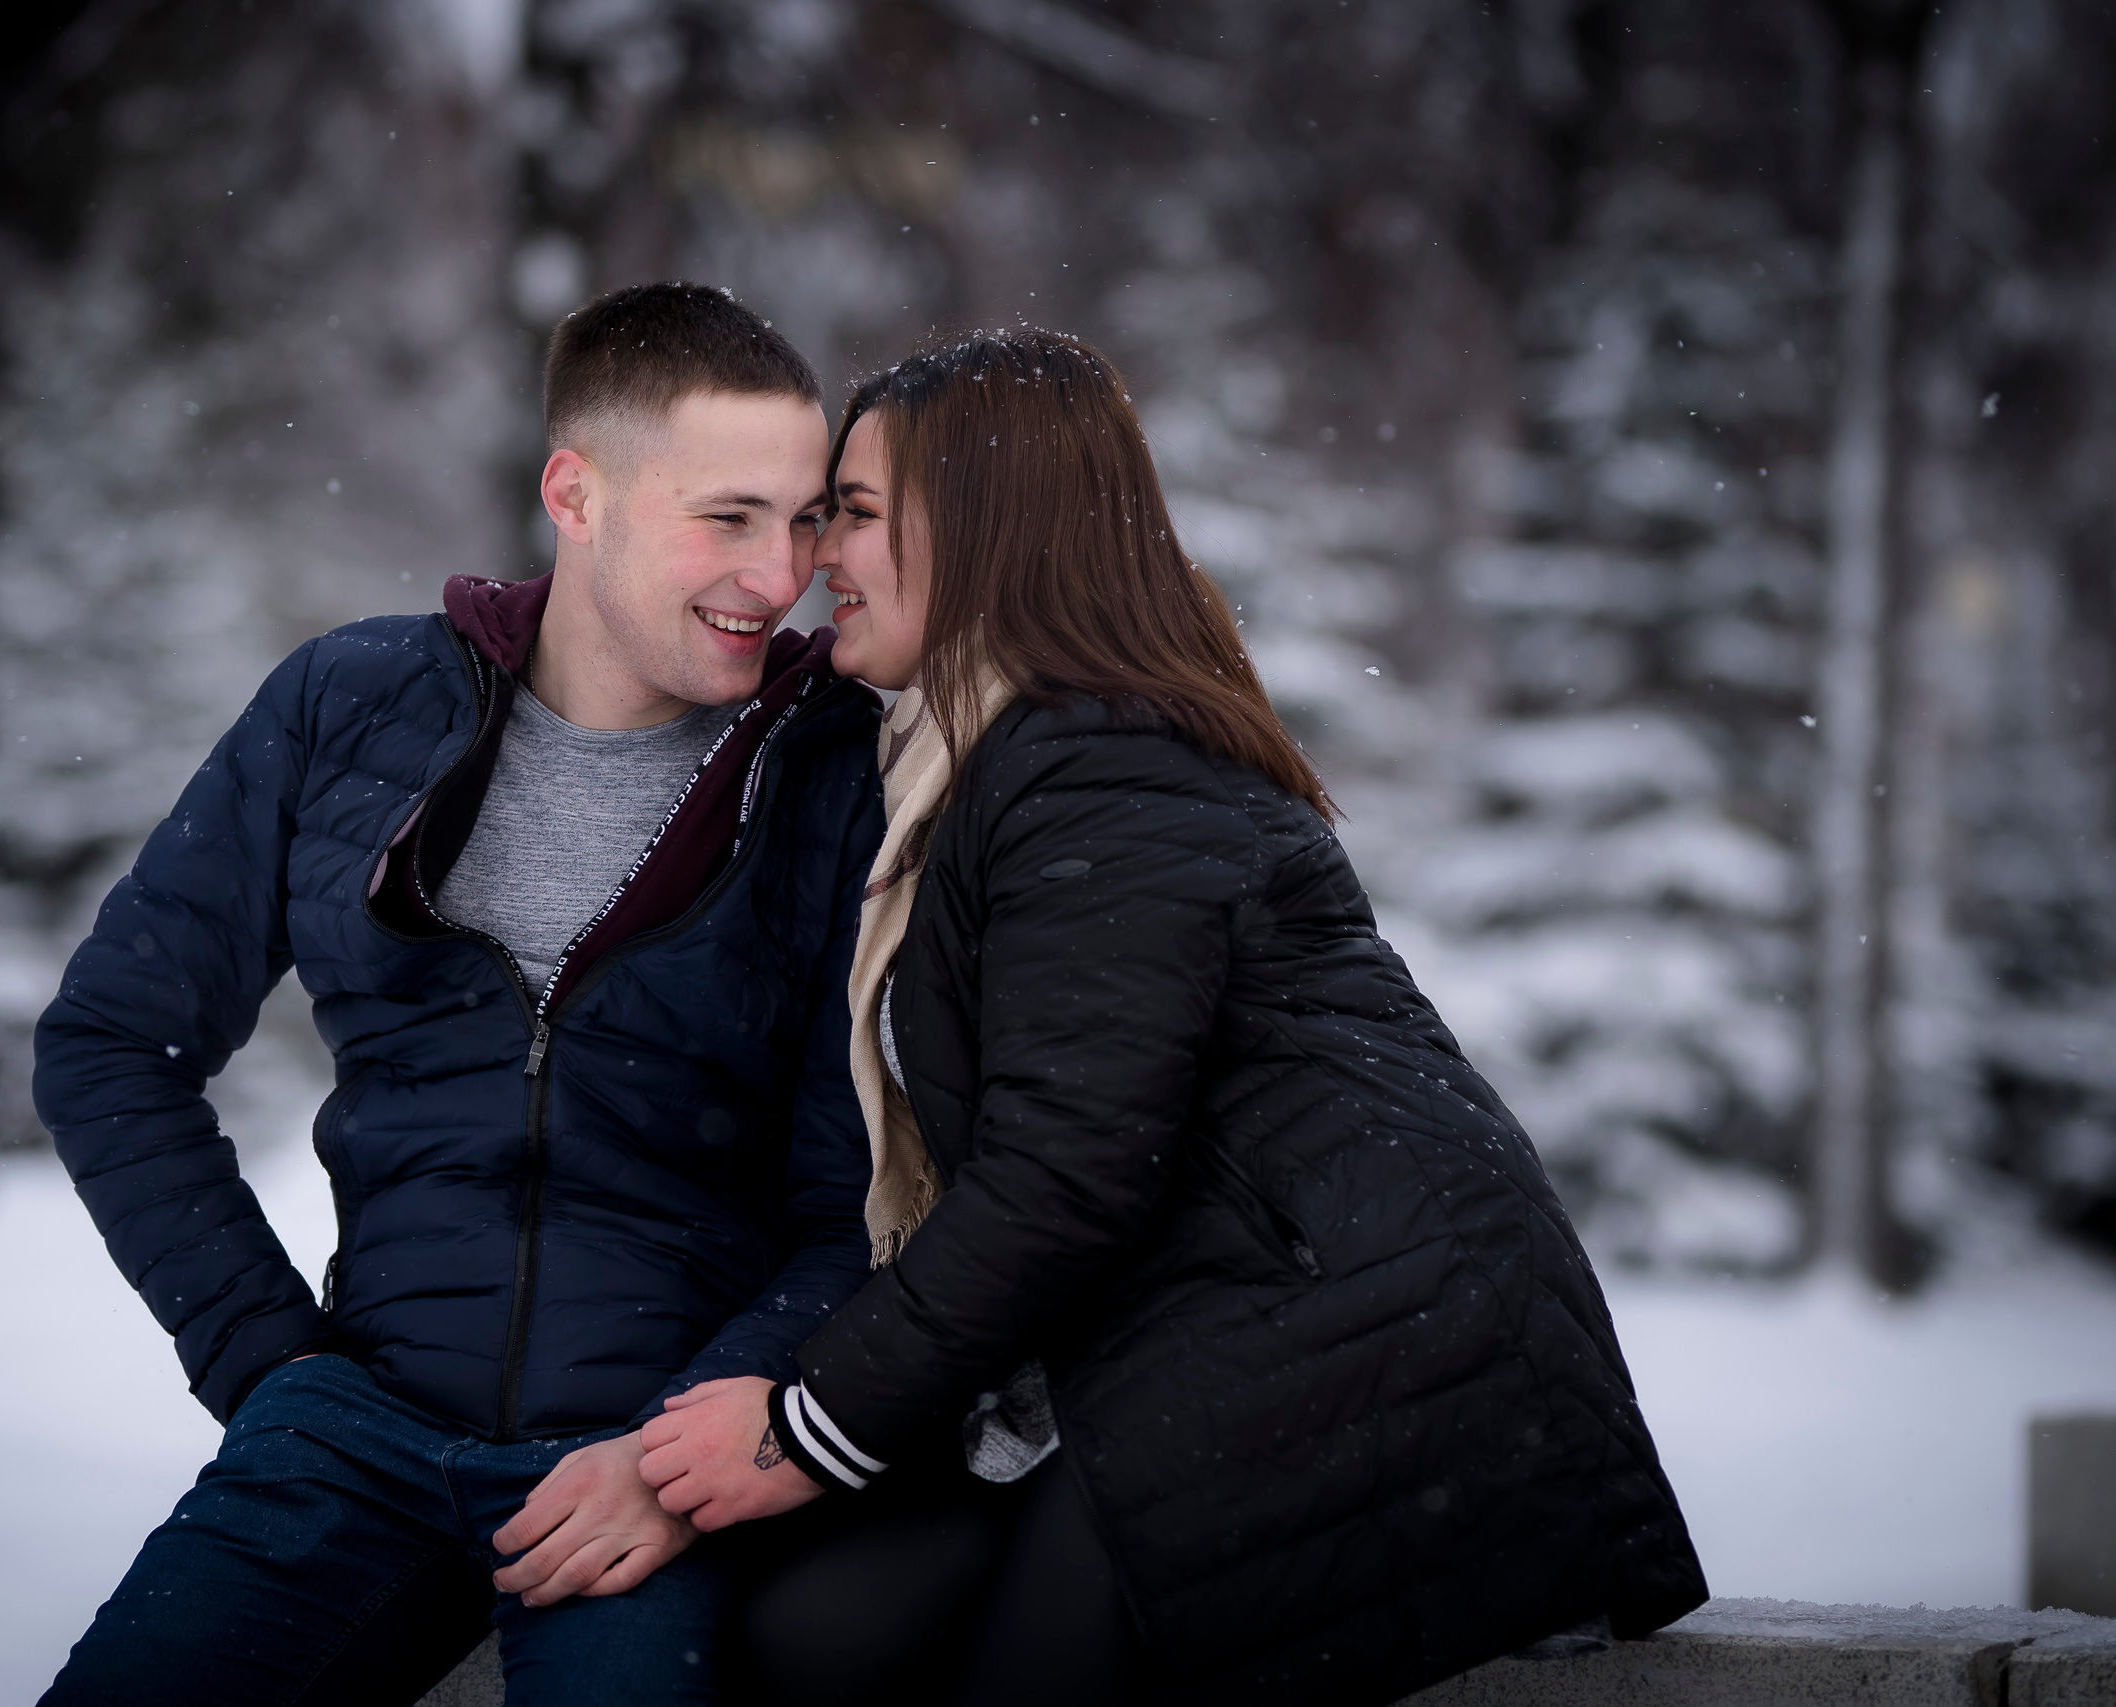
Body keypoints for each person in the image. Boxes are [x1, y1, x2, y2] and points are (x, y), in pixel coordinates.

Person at [636, 327, 1709, 1707]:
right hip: (1177, 1342)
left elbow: (1067, 1173)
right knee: (813, 1632)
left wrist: (805, 1429)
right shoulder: (980, 762)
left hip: (1361, 1347)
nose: (812, 558)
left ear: (986, 530)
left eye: (852, 512)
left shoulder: (1104, 764)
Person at [30, 282, 886, 1706]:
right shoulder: (350, 706)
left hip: (647, 1469)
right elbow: (113, 1042)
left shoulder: (836, 772)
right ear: (577, 492)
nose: (777, 571)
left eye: (807, 521)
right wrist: (267, 1363)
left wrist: (694, 1454)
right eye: (727, 516)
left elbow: (859, 1192)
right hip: (349, 1436)